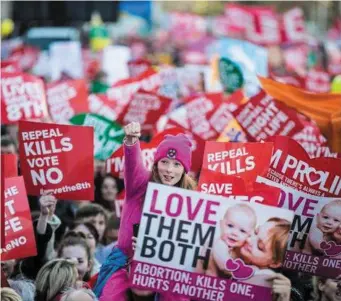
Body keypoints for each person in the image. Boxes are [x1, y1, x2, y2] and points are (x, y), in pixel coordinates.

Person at [95, 121, 196, 301]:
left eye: (176, 165)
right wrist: (132, 141)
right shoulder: (141, 184)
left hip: (166, 271)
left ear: (184, 170)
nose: (169, 170)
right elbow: (133, 165)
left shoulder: (191, 201)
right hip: (125, 264)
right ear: (156, 164)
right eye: (164, 162)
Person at [206, 204, 257, 277]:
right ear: (221, 224)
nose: (234, 233)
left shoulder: (243, 249)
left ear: (249, 235)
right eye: (230, 226)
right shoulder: (219, 243)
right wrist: (236, 269)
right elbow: (222, 260)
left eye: (242, 231)